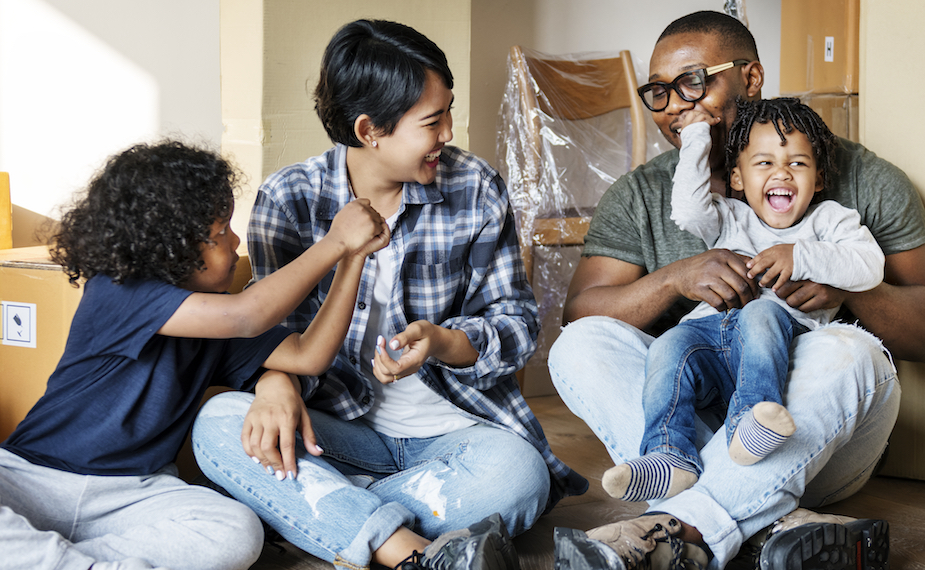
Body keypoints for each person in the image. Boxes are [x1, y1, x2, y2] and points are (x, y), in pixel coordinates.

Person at [190, 18, 587, 570]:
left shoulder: (474, 187)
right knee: (220, 421)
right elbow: (268, 326)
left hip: (457, 436)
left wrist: (444, 341)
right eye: (432, 120)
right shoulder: (290, 198)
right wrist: (275, 382)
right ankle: (405, 546)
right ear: (369, 129)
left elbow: (517, 323)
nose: (448, 132)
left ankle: (322, 513)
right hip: (331, 431)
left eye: (448, 111)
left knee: (519, 477)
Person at [549, 10, 922, 570]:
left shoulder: (859, 182)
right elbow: (582, 312)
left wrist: (845, 291)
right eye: (659, 91)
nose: (675, 104)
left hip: (816, 442)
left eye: (694, 82)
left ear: (751, 79)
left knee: (852, 350)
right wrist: (674, 277)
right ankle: (769, 524)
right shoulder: (644, 196)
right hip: (696, 431)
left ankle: (678, 527)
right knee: (578, 346)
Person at [0, 140, 391, 570]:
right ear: (172, 246)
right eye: (222, 232)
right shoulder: (117, 291)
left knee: (237, 530)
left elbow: (307, 355)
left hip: (135, 494)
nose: (236, 239)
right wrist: (334, 241)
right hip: (32, 477)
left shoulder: (215, 323)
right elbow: (248, 314)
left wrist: (353, 258)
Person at [603, 98, 885, 504]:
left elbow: (870, 265)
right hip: (708, 336)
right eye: (764, 163)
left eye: (798, 164)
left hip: (783, 342)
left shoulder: (830, 221)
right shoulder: (728, 217)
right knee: (667, 346)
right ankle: (669, 454)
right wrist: (697, 133)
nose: (782, 172)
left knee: (761, 312)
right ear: (737, 177)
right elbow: (685, 207)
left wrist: (800, 255)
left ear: (819, 179)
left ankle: (749, 424)